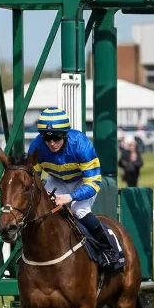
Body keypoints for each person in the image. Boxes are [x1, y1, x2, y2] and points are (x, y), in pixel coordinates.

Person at [26, 107, 123, 270]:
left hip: (83, 181)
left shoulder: (81, 144)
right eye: (47, 138)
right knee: (39, 209)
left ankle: (108, 249)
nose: (52, 143)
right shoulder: (36, 146)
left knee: (79, 210)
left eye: (56, 137)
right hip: (57, 180)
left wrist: (70, 197)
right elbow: (32, 179)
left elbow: (93, 183)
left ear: (65, 134)